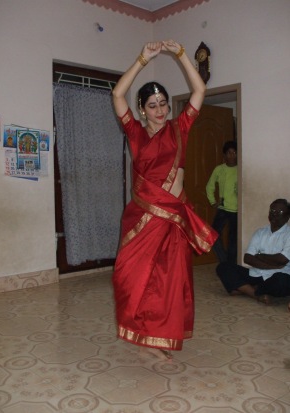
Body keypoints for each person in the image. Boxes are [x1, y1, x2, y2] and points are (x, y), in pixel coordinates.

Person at [111, 40, 218, 361]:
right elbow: (117, 95)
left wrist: (182, 55)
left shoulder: (179, 129)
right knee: (129, 276)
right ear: (142, 109)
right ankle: (140, 326)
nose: (160, 111)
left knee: (169, 281)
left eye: (163, 104)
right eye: (153, 105)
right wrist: (142, 59)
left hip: (173, 220)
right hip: (142, 219)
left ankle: (161, 336)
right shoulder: (135, 133)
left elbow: (199, 92)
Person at [216, 199, 290, 308]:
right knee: (223, 267)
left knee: (282, 282)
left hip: (278, 276)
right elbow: (248, 258)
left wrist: (260, 256)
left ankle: (245, 288)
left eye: (279, 212)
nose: (274, 214)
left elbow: (282, 259)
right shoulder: (260, 232)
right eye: (272, 211)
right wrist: (270, 265)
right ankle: (255, 293)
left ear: (288, 216)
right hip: (255, 273)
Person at [206, 140, 238, 263]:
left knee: (233, 239)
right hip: (223, 209)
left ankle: (231, 264)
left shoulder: (241, 169)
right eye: (229, 153)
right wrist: (213, 202)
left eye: (234, 153)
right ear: (224, 155)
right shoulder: (219, 169)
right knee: (212, 235)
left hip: (237, 210)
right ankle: (225, 261)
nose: (232, 156)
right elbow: (209, 186)